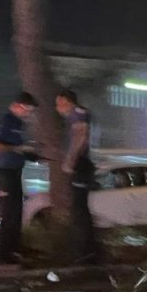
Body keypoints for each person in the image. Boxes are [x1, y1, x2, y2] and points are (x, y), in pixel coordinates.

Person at [0, 92, 37, 266]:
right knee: (9, 213)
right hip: (4, 172)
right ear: (17, 105)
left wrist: (27, 153)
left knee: (16, 213)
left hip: (14, 172)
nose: (28, 114)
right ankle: (2, 255)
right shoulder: (6, 120)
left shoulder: (18, 122)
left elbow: (17, 148)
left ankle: (12, 252)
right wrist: (16, 148)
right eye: (27, 110)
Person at [56, 89, 101, 265]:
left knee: (79, 209)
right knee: (80, 208)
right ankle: (88, 250)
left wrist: (70, 161)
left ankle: (86, 252)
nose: (57, 107)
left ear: (67, 102)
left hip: (81, 165)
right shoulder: (75, 116)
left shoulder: (77, 114)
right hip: (82, 165)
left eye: (59, 103)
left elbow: (80, 138)